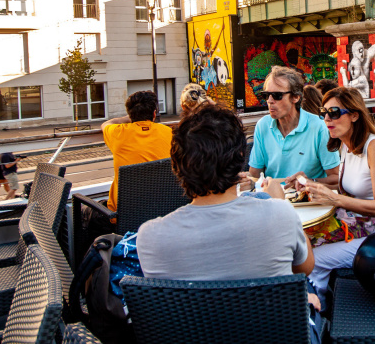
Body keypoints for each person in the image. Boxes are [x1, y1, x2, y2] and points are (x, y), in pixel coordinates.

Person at [137, 104, 323, 330]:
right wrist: (279, 202)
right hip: (274, 332)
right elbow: (304, 268)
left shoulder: (149, 237)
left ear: (176, 164)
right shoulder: (280, 213)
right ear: (240, 158)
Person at [300, 87, 375, 297]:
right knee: (301, 244)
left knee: (311, 260)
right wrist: (309, 182)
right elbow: (346, 188)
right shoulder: (346, 145)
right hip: (358, 224)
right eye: (324, 113)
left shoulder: (374, 146)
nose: (327, 119)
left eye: (334, 113)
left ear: (355, 115)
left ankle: (314, 309)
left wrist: (334, 198)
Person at [246, 66, 340, 189]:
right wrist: (242, 180)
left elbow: (336, 178)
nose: (269, 101)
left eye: (277, 95)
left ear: (296, 97)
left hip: (308, 201)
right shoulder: (262, 126)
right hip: (273, 200)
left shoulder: (318, 127)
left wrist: (309, 182)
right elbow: (254, 175)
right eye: (266, 95)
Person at [102, 90, 173, 213]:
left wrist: (127, 118)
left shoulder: (117, 132)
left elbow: (106, 124)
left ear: (130, 114)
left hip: (123, 215)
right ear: (154, 114)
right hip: (162, 210)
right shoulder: (169, 132)